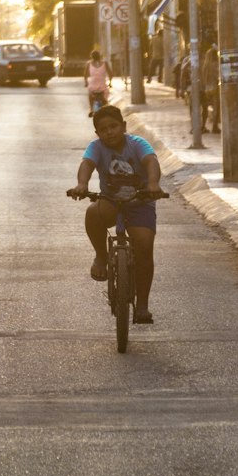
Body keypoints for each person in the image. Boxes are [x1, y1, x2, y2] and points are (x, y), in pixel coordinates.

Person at [67, 104, 166, 325]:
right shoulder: (96, 147)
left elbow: (151, 161)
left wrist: (153, 184)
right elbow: (87, 164)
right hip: (111, 201)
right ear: (97, 133)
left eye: (113, 126)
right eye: (103, 129)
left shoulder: (138, 144)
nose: (109, 132)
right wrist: (82, 184)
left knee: (143, 247)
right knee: (93, 213)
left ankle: (142, 306)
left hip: (140, 202)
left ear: (123, 126)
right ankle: (101, 256)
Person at [84, 48, 111, 117]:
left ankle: (91, 110)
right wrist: (110, 83)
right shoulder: (105, 63)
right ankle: (105, 108)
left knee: (90, 95)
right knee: (105, 100)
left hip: (93, 87)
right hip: (103, 87)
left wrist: (86, 83)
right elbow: (111, 74)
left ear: (91, 56)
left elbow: (85, 75)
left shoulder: (88, 64)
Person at [201, 44, 221, 134]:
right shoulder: (215, 65)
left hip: (206, 89)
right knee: (216, 108)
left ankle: (203, 126)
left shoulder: (205, 66)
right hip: (215, 88)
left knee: (205, 109)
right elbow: (218, 76)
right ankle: (215, 127)